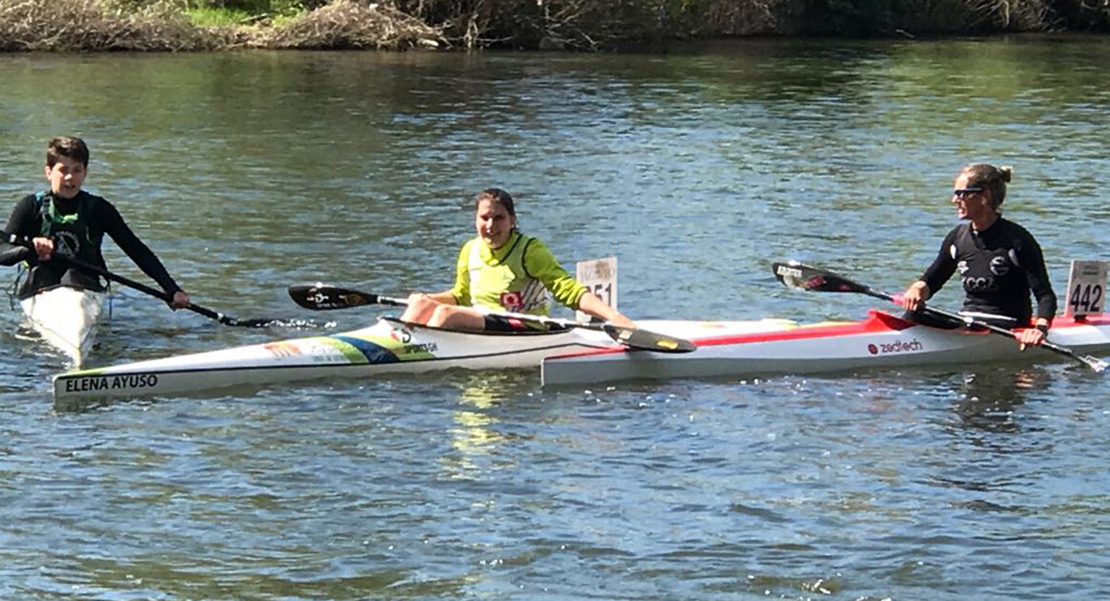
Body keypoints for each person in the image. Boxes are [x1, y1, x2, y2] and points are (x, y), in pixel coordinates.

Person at [399, 187, 634, 331]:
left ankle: (413, 352)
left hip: (523, 325)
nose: (490, 226)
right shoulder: (470, 250)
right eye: (485, 218)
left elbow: (568, 290)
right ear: (476, 219)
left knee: (444, 314)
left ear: (512, 221)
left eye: (498, 218)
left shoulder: (529, 250)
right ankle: (397, 343)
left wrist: (614, 317)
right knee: (421, 303)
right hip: (481, 321)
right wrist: (426, 298)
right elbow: (460, 295)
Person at [0, 136, 190, 308]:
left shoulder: (99, 209)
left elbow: (135, 249)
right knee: (44, 274)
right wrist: (30, 248)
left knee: (73, 275)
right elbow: (2, 252)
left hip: (84, 286)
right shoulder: (30, 206)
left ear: (85, 173)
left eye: (76, 170)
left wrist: (172, 290)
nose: (69, 177)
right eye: (63, 170)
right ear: (48, 172)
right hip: (41, 285)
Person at [901, 163, 1056, 348]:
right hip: (968, 322)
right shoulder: (957, 238)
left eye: (961, 194)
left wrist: (1039, 330)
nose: (954, 200)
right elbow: (932, 280)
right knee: (912, 314)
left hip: (1006, 326)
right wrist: (917, 289)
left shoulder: (1018, 240)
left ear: (984, 196)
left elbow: (1045, 295)